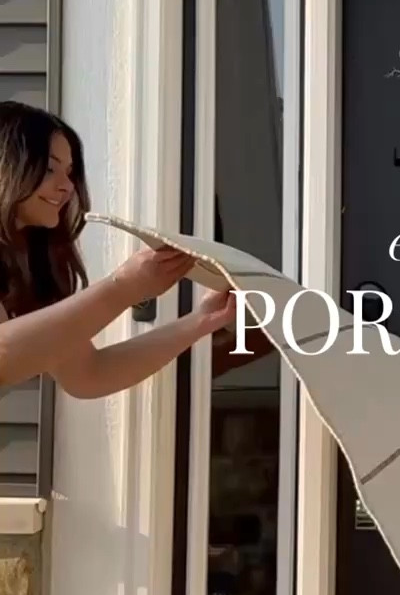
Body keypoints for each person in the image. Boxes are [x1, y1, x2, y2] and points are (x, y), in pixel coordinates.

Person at [0, 100, 234, 396]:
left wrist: (201, 320)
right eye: (49, 169)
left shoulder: (30, 263)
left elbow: (89, 374)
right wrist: (125, 287)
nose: (68, 186)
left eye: (70, 172)